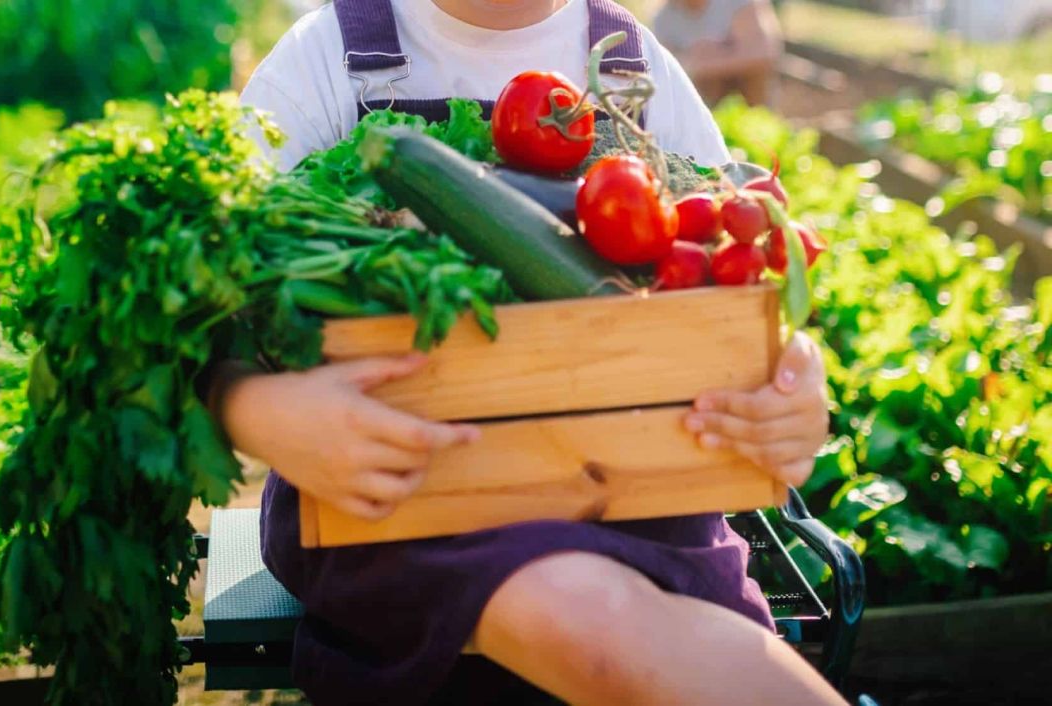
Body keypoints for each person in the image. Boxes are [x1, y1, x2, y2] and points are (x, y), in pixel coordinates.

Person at [216, 1, 843, 704]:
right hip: (400, 489)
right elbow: (203, 297)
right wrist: (256, 408)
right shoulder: (327, 58)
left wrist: (790, 376)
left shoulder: (633, 64)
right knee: (590, 619)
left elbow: (733, 263)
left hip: (637, 491)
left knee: (612, 622)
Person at [654, 0, 785, 106]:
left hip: (749, 100)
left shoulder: (739, 4)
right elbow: (664, 71)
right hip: (701, 101)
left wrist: (706, 63)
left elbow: (765, 53)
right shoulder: (663, 18)